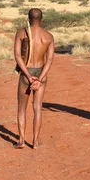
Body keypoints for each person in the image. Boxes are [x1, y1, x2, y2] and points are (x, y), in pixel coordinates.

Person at [13, 8, 55, 149]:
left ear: (28, 19)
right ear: (42, 19)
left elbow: (18, 56)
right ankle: (35, 143)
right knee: (37, 108)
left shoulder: (21, 33)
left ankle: (22, 141)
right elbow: (49, 61)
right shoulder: (48, 36)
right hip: (41, 74)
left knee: (21, 109)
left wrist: (28, 76)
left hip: (26, 74)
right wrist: (39, 79)